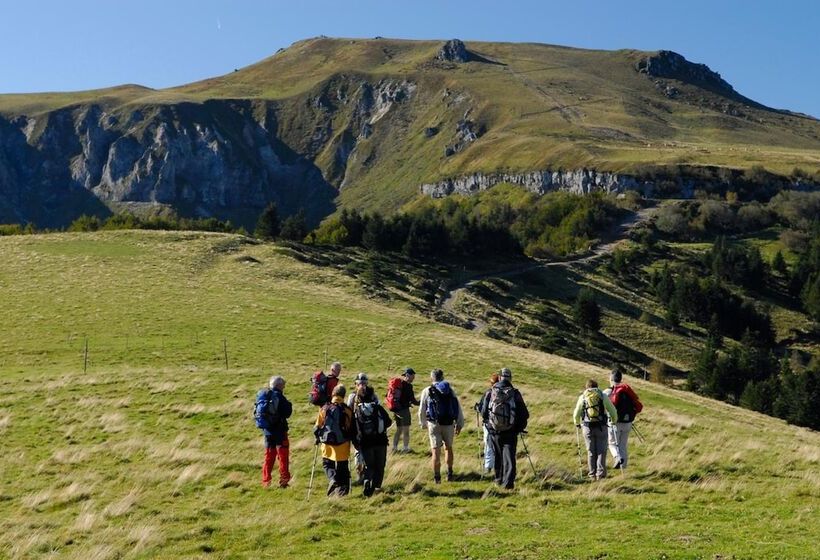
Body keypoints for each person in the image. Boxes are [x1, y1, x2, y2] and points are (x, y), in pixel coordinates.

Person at [480, 368, 529, 489]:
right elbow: (524, 414)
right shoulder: (515, 393)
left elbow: (484, 412)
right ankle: (508, 484)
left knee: (497, 455)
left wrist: (490, 424)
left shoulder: (491, 392)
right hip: (511, 431)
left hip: (494, 431)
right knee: (509, 457)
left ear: (500, 377)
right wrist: (519, 427)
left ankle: (498, 479)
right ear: (510, 379)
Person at [418, 368, 464, 483]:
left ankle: (437, 477)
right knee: (448, 448)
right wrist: (459, 423)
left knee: (435, 451)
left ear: (432, 378)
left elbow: (422, 409)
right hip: (448, 423)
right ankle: (450, 473)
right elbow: (457, 406)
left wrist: (423, 423)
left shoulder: (427, 390)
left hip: (434, 423)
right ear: (442, 377)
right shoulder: (450, 390)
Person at [314, 384, 356, 496]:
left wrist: (317, 438)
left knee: (327, 464)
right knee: (343, 467)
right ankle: (343, 491)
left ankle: (333, 479)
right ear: (344, 395)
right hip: (342, 443)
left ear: (333, 394)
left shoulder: (325, 408)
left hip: (327, 443)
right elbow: (351, 428)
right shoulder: (347, 410)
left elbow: (317, 427)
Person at [573, 379, 618, 480]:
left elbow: (576, 413)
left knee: (591, 451)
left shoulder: (583, 397)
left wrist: (577, 423)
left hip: (587, 427)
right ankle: (600, 474)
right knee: (601, 451)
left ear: (587, 387)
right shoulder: (603, 396)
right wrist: (614, 421)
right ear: (597, 387)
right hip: (601, 427)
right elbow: (613, 411)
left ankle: (592, 474)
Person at [352, 385, 392, 496]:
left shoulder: (358, 411)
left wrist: (356, 443)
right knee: (380, 466)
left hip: (365, 443)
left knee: (369, 466)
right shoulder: (378, 408)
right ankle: (376, 488)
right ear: (372, 395)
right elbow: (388, 422)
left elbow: (354, 429)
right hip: (380, 442)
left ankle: (366, 481)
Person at [257, 375, 293, 488]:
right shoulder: (279, 397)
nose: (284, 387)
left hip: (268, 431)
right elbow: (287, 413)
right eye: (283, 385)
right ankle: (284, 480)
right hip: (280, 432)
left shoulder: (264, 396)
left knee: (269, 456)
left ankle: (266, 481)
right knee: (283, 456)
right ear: (278, 385)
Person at [604, 368, 643, 470]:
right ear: (620, 379)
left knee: (612, 443)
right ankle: (623, 467)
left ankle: (617, 458)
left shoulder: (608, 391)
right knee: (623, 445)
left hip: (615, 422)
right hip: (628, 422)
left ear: (611, 378)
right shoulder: (627, 390)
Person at [346, 373, 379, 483]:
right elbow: (378, 409)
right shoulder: (373, 396)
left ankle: (360, 475)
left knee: (358, 452)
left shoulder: (352, 396)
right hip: (371, 430)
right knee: (369, 452)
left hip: (357, 430)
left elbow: (348, 412)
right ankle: (368, 475)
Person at [390, 367, 420, 453]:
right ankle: (405, 448)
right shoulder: (408, 386)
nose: (413, 378)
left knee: (399, 429)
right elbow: (413, 401)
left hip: (396, 410)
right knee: (406, 430)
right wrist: (421, 402)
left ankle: (394, 448)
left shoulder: (399, 384)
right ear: (407, 375)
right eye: (413, 376)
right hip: (404, 411)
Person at [475, 373, 500, 473]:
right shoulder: (507, 393)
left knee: (489, 445)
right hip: (504, 425)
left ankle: (488, 468)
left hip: (489, 424)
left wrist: (478, 408)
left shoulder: (488, 393)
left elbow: (483, 411)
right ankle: (500, 467)